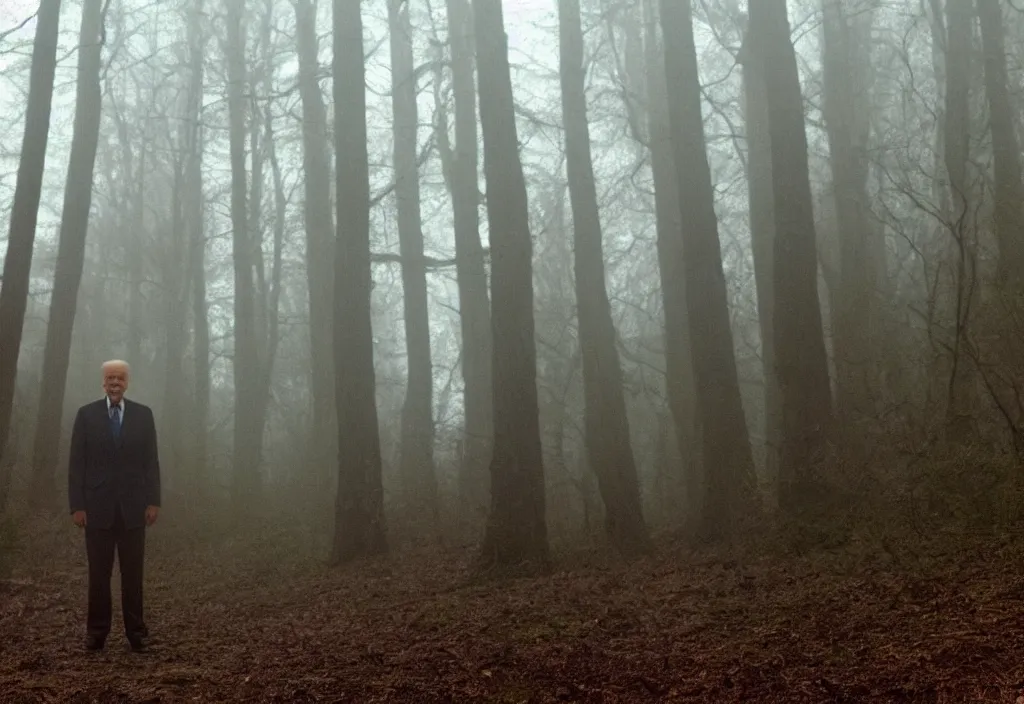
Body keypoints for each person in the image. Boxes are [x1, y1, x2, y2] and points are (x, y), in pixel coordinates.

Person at [68, 359, 161, 652]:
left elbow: (151, 463)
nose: (115, 382)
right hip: (96, 510)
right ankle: (96, 633)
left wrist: (154, 500)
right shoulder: (86, 416)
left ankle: (137, 633)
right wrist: (77, 505)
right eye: (110, 377)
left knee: (133, 575)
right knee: (99, 575)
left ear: (128, 381)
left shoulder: (144, 416)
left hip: (134, 509)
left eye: (120, 377)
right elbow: (76, 464)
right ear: (103, 382)